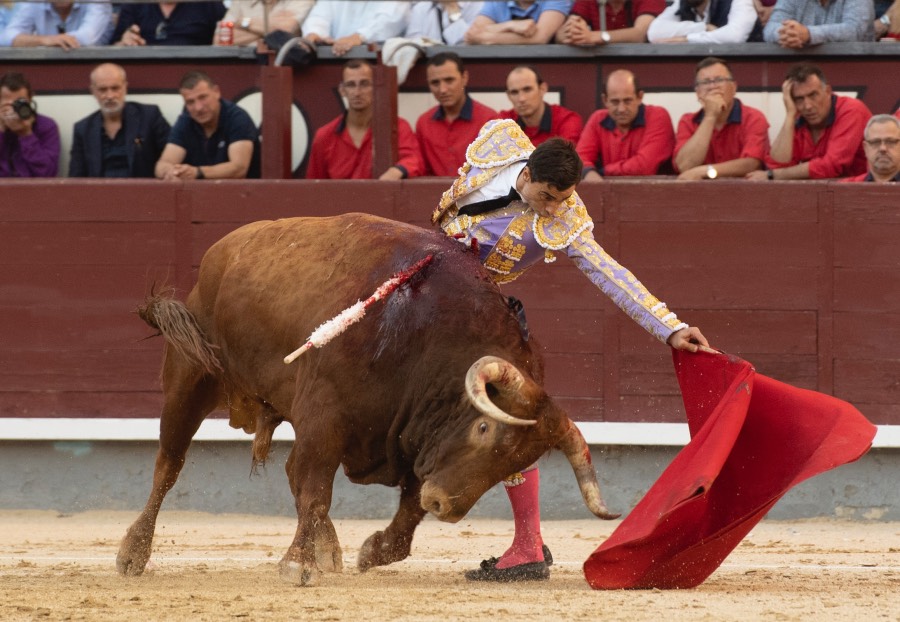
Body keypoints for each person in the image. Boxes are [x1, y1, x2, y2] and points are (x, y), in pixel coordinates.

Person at [432, 118, 708, 582]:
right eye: (548, 197)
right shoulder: (500, 142)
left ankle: (526, 546)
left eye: (565, 198)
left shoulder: (567, 220)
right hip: (426, 282)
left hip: (478, 313)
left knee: (502, 417)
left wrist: (671, 328)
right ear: (526, 175)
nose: (558, 207)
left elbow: (612, 275)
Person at [747, 63, 871, 181]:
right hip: (823, 195)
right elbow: (775, 166)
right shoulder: (798, 119)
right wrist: (789, 115)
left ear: (827, 91)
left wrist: (772, 175)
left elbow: (831, 165)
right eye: (799, 99)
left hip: (864, 195)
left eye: (813, 95)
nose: (807, 106)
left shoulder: (851, 110)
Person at [306, 60, 423, 179]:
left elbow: (415, 160)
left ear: (376, 88)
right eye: (351, 85)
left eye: (364, 84)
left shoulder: (397, 126)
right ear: (342, 90)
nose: (357, 92)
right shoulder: (324, 136)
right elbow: (314, 185)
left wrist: (398, 170)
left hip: (381, 196)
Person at [673, 57, 769, 180]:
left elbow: (751, 163)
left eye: (719, 80)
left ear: (734, 87)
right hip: (699, 195)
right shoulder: (688, 121)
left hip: (744, 193)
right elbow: (685, 166)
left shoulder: (753, 117)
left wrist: (707, 171)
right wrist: (710, 116)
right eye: (705, 82)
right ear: (697, 93)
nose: (713, 87)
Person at [69, 63, 171, 178]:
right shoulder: (82, 129)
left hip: (143, 193)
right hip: (99, 194)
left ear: (125, 87)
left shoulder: (150, 116)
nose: (110, 96)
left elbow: (172, 159)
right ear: (93, 91)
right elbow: (76, 178)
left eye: (115, 88)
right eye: (103, 89)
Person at [155, 70, 260, 181]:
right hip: (199, 195)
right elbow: (162, 164)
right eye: (190, 102)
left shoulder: (237, 118)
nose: (198, 108)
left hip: (243, 195)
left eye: (203, 97)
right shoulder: (186, 120)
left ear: (216, 92)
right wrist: (172, 172)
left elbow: (239, 169)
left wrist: (197, 172)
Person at [576, 69, 675, 180]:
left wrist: (600, 172)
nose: (621, 109)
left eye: (627, 101)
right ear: (605, 100)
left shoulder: (658, 116)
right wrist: (588, 172)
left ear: (640, 97)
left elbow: (644, 167)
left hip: (656, 194)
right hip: (609, 194)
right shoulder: (597, 119)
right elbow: (579, 159)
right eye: (615, 102)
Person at [415, 52, 497, 177]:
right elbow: (420, 167)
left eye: (449, 80)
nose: (442, 89)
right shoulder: (423, 123)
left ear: (464, 78)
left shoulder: (489, 120)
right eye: (435, 83)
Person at [498, 66, 583, 146]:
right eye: (514, 92)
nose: (521, 99)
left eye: (527, 89)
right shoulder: (502, 122)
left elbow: (564, 159)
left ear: (542, 89)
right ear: (508, 96)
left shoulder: (567, 120)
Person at [0, 71, 59, 177]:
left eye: (19, 103)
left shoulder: (46, 126)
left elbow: (48, 173)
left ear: (30, 100)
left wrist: (26, 135)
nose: (14, 110)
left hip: (35, 191)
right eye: (8, 105)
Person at [301, 0, 410, 56]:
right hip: (333, 61)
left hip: (375, 63)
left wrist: (359, 37)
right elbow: (318, 17)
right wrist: (314, 34)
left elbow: (391, 19)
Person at [762, 0, 874, 47]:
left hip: (851, 69)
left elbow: (853, 30)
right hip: (800, 70)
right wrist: (788, 34)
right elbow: (770, 28)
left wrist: (809, 34)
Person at [0, 1, 111, 48]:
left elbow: (86, 37)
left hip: (92, 67)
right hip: (48, 67)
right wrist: (44, 40)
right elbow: (6, 37)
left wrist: (53, 40)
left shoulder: (98, 1)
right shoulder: (34, 2)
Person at [555, 0, 666, 46]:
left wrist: (599, 36)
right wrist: (573, 33)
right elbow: (562, 33)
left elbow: (640, 34)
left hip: (641, 66)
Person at [647, 0, 763, 43]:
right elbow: (654, 32)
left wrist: (686, 39)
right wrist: (703, 27)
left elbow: (735, 36)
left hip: (744, 69)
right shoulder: (681, 4)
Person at [113, 2, 225, 46]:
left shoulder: (209, 5)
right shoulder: (135, 5)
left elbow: (227, 39)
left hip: (198, 75)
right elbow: (112, 48)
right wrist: (124, 44)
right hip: (146, 73)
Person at [464, 0, 571, 44]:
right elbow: (470, 34)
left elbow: (539, 38)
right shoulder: (497, 2)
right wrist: (510, 25)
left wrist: (483, 38)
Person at [215, 0, 314, 46]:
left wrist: (243, 22)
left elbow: (286, 28)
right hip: (243, 67)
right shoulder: (241, 2)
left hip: (285, 64)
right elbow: (220, 40)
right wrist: (273, 28)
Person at [842, 114, 900, 183]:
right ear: (865, 148)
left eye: (890, 141)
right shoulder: (847, 187)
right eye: (875, 142)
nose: (883, 148)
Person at [404, 1, 483, 44]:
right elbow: (412, 44)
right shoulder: (421, 8)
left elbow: (464, 43)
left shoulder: (477, 5)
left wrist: (452, 7)